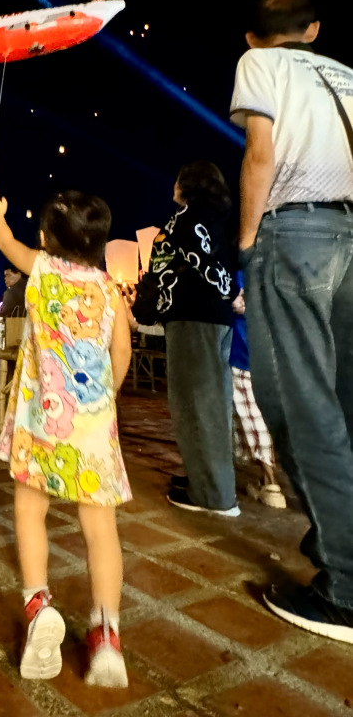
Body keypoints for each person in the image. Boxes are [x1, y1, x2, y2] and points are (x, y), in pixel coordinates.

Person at [232, 0, 353, 642]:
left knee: (297, 404)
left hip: (296, 233)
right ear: (313, 28)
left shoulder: (261, 67)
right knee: (344, 398)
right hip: (350, 236)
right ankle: (341, 531)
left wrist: (249, 242)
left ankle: (347, 585)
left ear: (254, 39)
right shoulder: (346, 74)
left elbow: (261, 153)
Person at [0, 186, 132, 688]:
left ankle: (39, 603)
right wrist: (103, 398)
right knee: (100, 529)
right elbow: (122, 355)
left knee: (30, 510)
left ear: (46, 239)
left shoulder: (40, 270)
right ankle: (107, 633)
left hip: (39, 424)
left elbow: (6, 243)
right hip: (91, 427)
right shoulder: (110, 292)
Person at [133, 161, 240, 516]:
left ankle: (213, 495)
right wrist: (229, 293)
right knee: (209, 400)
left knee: (196, 404)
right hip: (211, 319)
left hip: (193, 318)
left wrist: (225, 290)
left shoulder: (188, 219)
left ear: (189, 184)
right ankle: (205, 479)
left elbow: (203, 263)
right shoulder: (216, 221)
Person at [229, 276, 285, 509]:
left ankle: (271, 482)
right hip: (268, 352)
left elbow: (236, 303)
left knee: (251, 415)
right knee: (261, 414)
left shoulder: (241, 269)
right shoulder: (271, 266)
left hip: (242, 350)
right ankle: (267, 479)